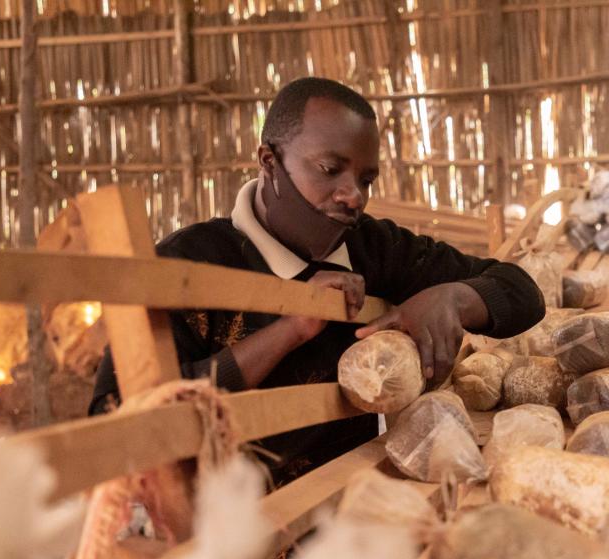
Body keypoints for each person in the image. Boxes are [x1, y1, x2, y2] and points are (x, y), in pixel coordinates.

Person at [91, 77, 545, 483]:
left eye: (366, 179)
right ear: (269, 162)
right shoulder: (188, 264)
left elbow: (522, 292)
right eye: (330, 171)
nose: (353, 197)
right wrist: (290, 330)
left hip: (340, 514)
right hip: (223, 536)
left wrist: (453, 297)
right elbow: (113, 422)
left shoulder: (372, 247)